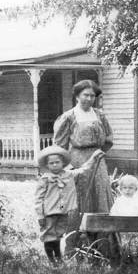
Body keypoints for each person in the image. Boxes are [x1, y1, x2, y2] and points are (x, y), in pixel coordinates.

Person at [53, 79, 118, 257]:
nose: (89, 99)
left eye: (92, 96)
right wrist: (67, 167)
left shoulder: (100, 115)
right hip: (77, 161)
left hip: (98, 163)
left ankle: (102, 248)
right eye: (85, 95)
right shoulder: (69, 117)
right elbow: (59, 145)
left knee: (100, 201)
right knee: (78, 203)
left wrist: (98, 153)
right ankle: (73, 248)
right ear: (77, 96)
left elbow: (109, 139)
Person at [35, 145, 105, 265]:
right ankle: (51, 259)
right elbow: (38, 198)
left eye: (57, 162)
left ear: (63, 163)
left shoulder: (69, 174)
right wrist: (40, 215)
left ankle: (58, 258)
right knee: (49, 236)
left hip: (63, 212)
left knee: (58, 236)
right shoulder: (45, 179)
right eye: (51, 163)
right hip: (49, 213)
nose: (55, 165)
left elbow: (84, 169)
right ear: (47, 165)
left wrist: (94, 158)